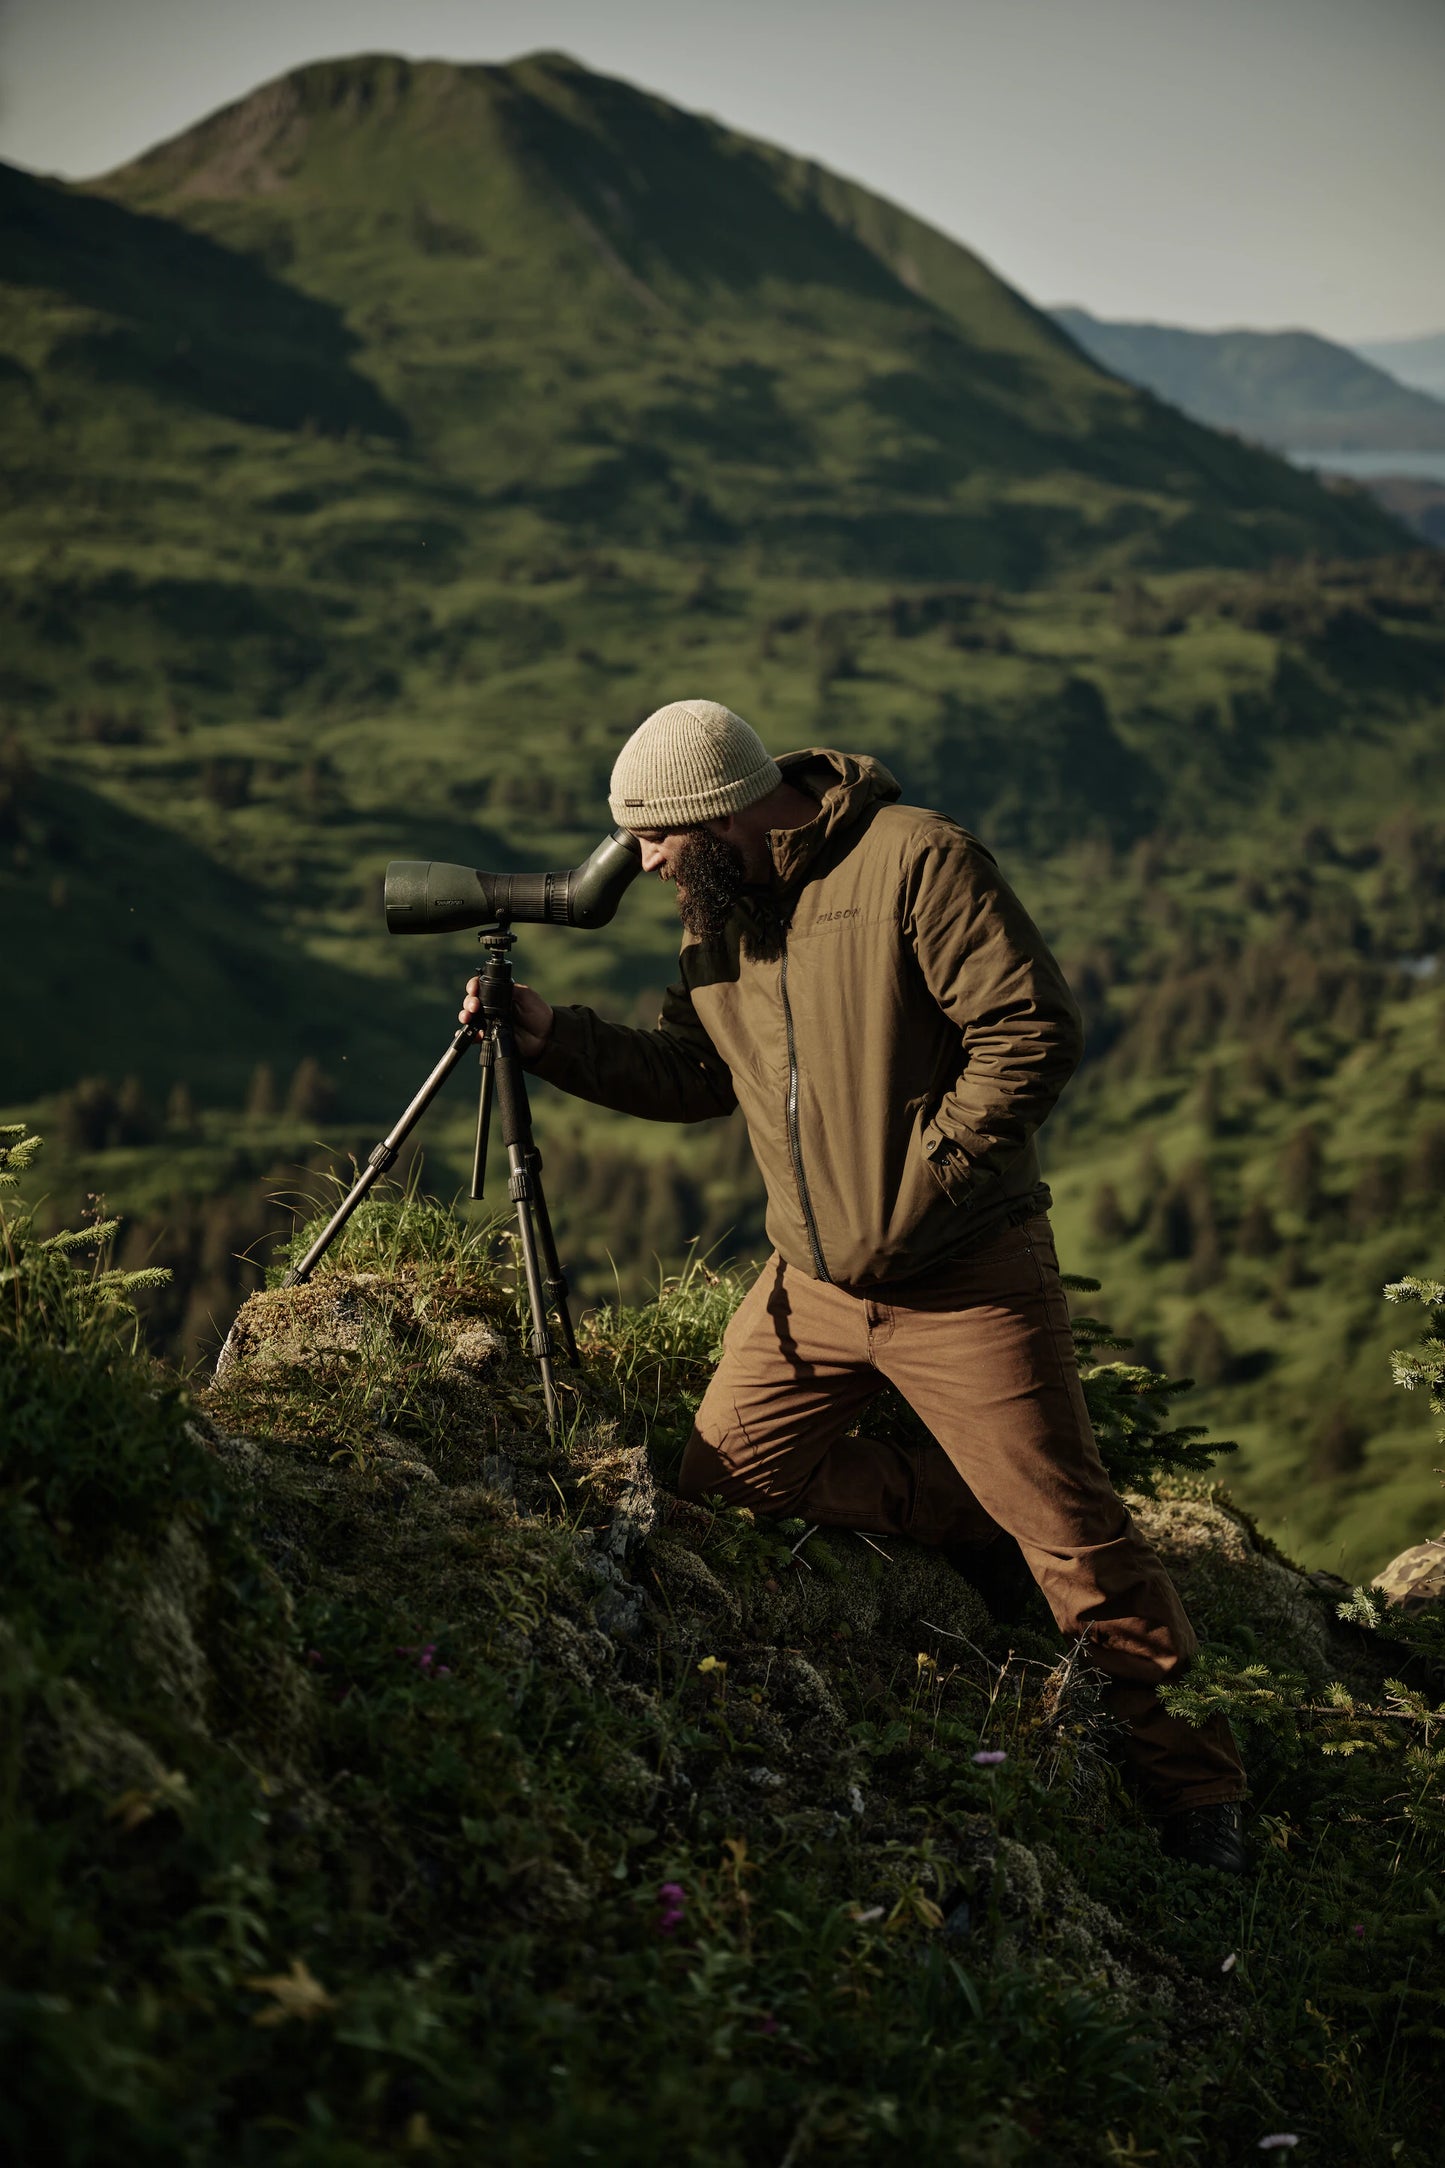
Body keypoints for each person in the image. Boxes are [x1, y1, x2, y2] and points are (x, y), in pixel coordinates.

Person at [461, 699, 1247, 1872]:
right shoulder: (717, 908)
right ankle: (961, 1503)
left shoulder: (916, 861)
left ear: (721, 812)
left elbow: (1031, 1027)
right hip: (811, 1288)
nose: (648, 862)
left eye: (660, 839)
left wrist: (923, 1184)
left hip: (963, 1274)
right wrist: (551, 1037)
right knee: (726, 1479)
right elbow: (695, 1070)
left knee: (1073, 1537)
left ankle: (1196, 1785)